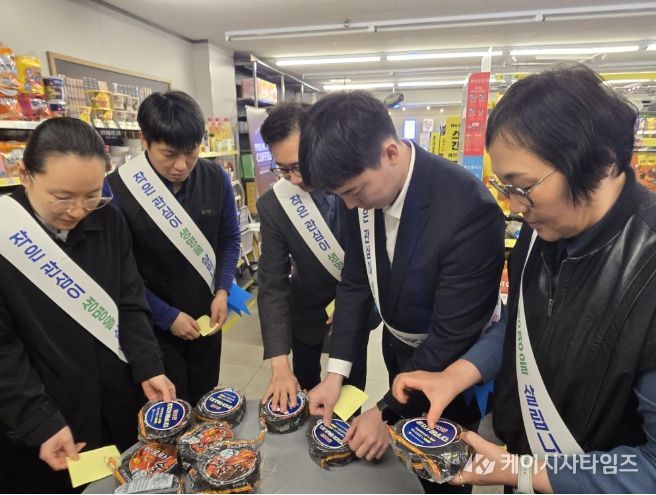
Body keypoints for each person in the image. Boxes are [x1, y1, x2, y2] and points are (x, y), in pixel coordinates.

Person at [392, 63, 656, 492]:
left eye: (524, 186)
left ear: (602, 161)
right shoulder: (540, 232)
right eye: (505, 186)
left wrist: (521, 471)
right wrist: (458, 374)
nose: (514, 207)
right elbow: (520, 327)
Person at [299, 91, 505, 491]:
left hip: (451, 368)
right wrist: (335, 373)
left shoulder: (468, 209)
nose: (349, 206)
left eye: (354, 192)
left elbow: (453, 334)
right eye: (341, 196)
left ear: (390, 153)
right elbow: (355, 281)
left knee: (442, 472)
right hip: (398, 350)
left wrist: (385, 411)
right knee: (404, 467)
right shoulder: (359, 194)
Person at [0, 118, 175, 493]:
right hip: (48, 418)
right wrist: (38, 421)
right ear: (25, 174)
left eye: (92, 194)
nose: (78, 211)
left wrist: (148, 365)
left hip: (118, 401)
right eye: (62, 197)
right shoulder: (5, 233)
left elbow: (130, 300)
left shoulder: (109, 220)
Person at [105, 91, 241, 405]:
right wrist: (167, 316)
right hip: (152, 324)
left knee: (207, 399)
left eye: (191, 153)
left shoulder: (215, 177)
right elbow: (120, 271)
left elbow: (229, 239)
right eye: (169, 154)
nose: (181, 165)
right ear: (144, 140)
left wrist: (223, 291)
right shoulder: (118, 189)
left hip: (207, 317)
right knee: (171, 407)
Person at [257, 103, 378, 412]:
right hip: (307, 308)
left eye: (299, 165)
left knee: (349, 393)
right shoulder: (275, 204)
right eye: (284, 169)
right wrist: (279, 364)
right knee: (304, 391)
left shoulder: (360, 182)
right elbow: (272, 284)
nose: (295, 178)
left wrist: (359, 303)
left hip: (357, 308)